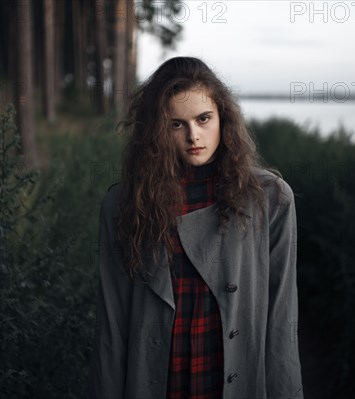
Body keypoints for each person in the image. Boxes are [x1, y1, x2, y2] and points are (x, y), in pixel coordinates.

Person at [88, 56, 303, 399]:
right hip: (158, 379)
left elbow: (281, 322)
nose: (193, 136)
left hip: (231, 378)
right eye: (176, 124)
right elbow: (112, 327)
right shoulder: (125, 204)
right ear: (156, 130)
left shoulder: (269, 199)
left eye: (204, 119)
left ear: (223, 116)